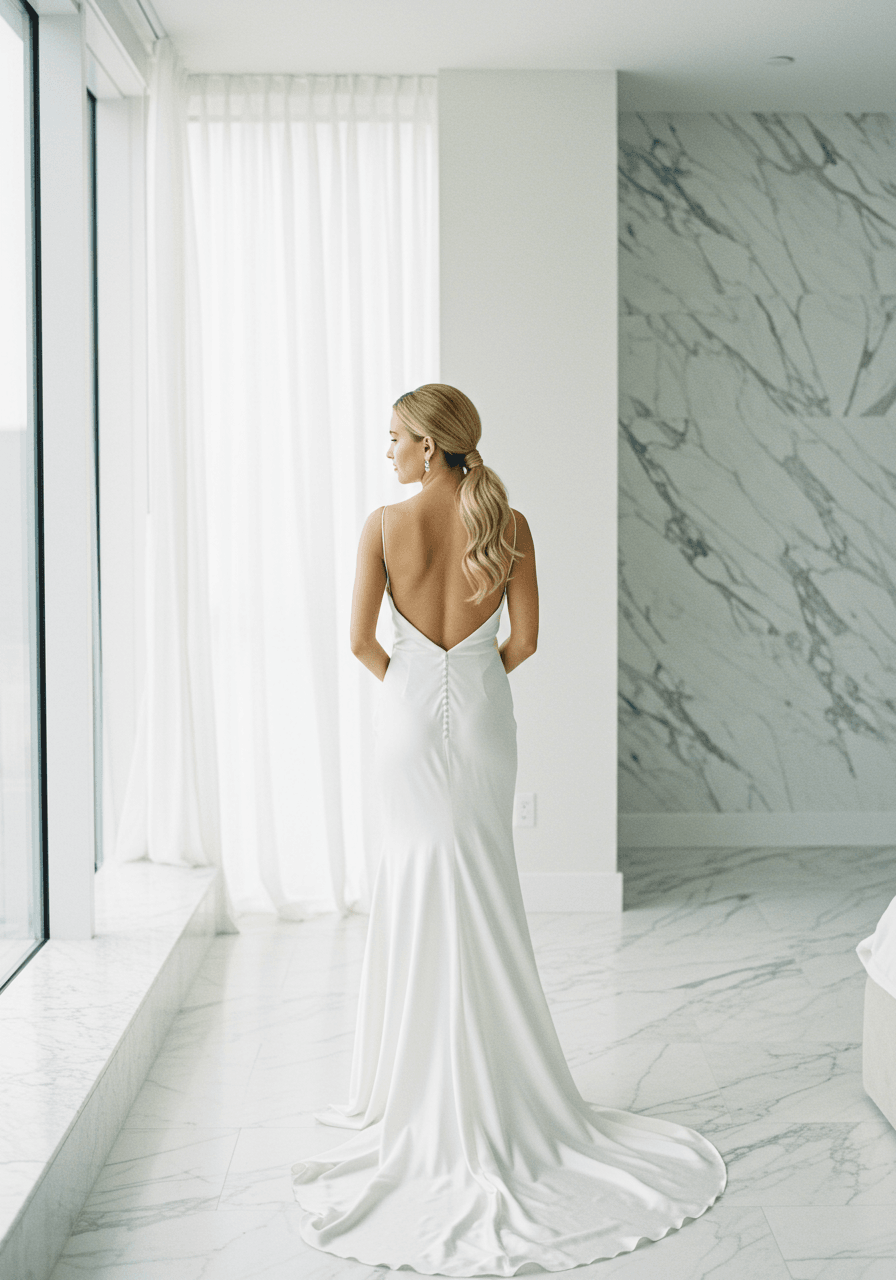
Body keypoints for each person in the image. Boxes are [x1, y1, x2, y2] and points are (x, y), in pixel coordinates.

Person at [292, 384, 725, 1275]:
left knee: (416, 880)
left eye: (396, 437)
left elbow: (359, 643)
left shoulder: (382, 525)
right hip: (486, 719)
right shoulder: (510, 521)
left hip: (407, 719)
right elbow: (524, 643)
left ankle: (408, 1081)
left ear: (427, 444)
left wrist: (418, 683)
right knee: (484, 881)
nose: (388, 452)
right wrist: (469, 678)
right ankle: (499, 1076)